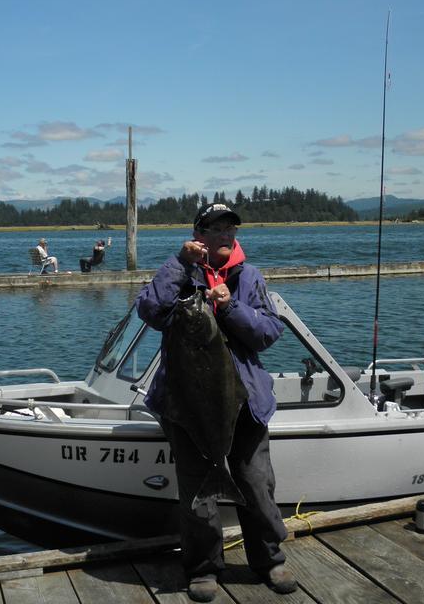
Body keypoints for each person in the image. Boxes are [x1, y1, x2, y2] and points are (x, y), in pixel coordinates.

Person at [134, 202, 297, 602]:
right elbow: (151, 309)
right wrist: (178, 263)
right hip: (186, 405)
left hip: (244, 404)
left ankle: (269, 560)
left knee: (256, 484)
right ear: (199, 234)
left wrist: (229, 306)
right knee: (197, 491)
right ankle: (204, 568)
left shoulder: (249, 277)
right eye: (217, 227)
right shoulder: (179, 273)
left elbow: (268, 332)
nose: (226, 234)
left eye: (232, 228)